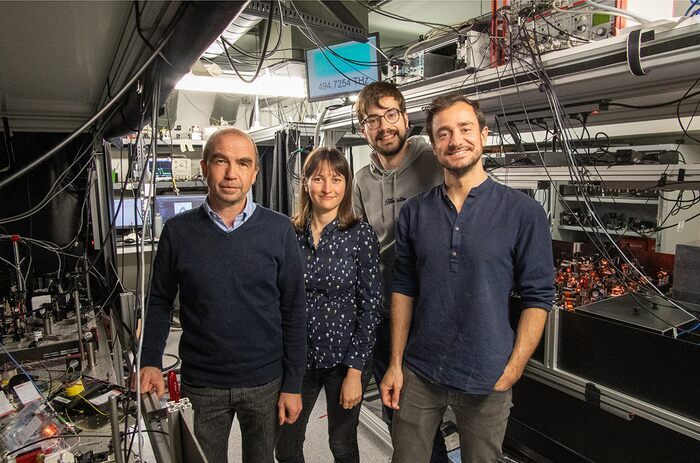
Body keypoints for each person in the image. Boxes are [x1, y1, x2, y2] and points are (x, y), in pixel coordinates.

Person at [381, 94, 555, 462]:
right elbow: (403, 288)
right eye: (443, 133)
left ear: (484, 135)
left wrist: (515, 366)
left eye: (464, 129)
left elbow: (539, 297)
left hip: (488, 375)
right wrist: (395, 363)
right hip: (420, 370)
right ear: (434, 144)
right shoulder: (415, 212)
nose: (455, 140)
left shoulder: (524, 212)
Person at [138, 127, 307, 463]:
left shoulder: (279, 230)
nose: (232, 174)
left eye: (243, 163)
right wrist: (151, 362)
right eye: (221, 162)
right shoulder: (177, 232)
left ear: (255, 173)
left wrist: (293, 384)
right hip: (202, 385)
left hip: (265, 383)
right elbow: (158, 302)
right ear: (204, 167)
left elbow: (294, 310)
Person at [352, 81, 448, 462]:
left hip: (427, 313)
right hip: (381, 313)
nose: (383, 126)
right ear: (363, 130)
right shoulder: (360, 180)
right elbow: (359, 245)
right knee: (396, 411)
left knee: (426, 410)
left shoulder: (434, 161)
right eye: (372, 120)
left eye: (391, 115)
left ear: (406, 118)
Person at [275, 148, 382, 463]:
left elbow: (371, 305)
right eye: (318, 178)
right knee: (286, 446)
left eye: (336, 179)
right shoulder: (288, 234)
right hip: (297, 360)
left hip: (344, 360)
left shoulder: (360, 235)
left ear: (346, 184)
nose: (327, 188)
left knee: (342, 444)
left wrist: (354, 372)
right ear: (305, 183)